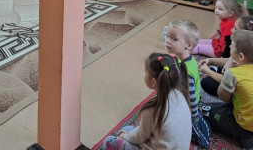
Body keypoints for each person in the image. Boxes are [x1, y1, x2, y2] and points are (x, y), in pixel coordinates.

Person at [102, 53, 191, 150]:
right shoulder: (179, 94)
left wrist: (125, 136)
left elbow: (140, 137)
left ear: (153, 82)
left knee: (109, 141)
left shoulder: (152, 109)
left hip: (153, 142)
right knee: (126, 129)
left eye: (146, 72)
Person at [201, 30, 253, 149]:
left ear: (241, 56)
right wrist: (211, 61)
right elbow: (235, 60)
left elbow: (223, 96)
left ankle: (247, 136)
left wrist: (228, 70)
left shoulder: (233, 74)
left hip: (244, 123)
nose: (229, 46)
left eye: (232, 46)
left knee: (202, 110)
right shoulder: (247, 61)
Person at [164, 20, 211, 148]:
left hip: (188, 110)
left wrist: (193, 116)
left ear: (188, 45)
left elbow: (191, 97)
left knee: (196, 133)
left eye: (174, 39)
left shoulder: (186, 72)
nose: (168, 41)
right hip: (187, 102)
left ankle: (202, 140)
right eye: (167, 36)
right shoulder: (187, 59)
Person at [199, 15, 253, 97]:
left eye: (235, 28)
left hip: (231, 95)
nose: (231, 30)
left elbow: (224, 93)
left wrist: (208, 72)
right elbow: (230, 60)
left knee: (206, 82)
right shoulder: (247, 54)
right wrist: (211, 60)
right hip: (232, 79)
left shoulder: (237, 70)